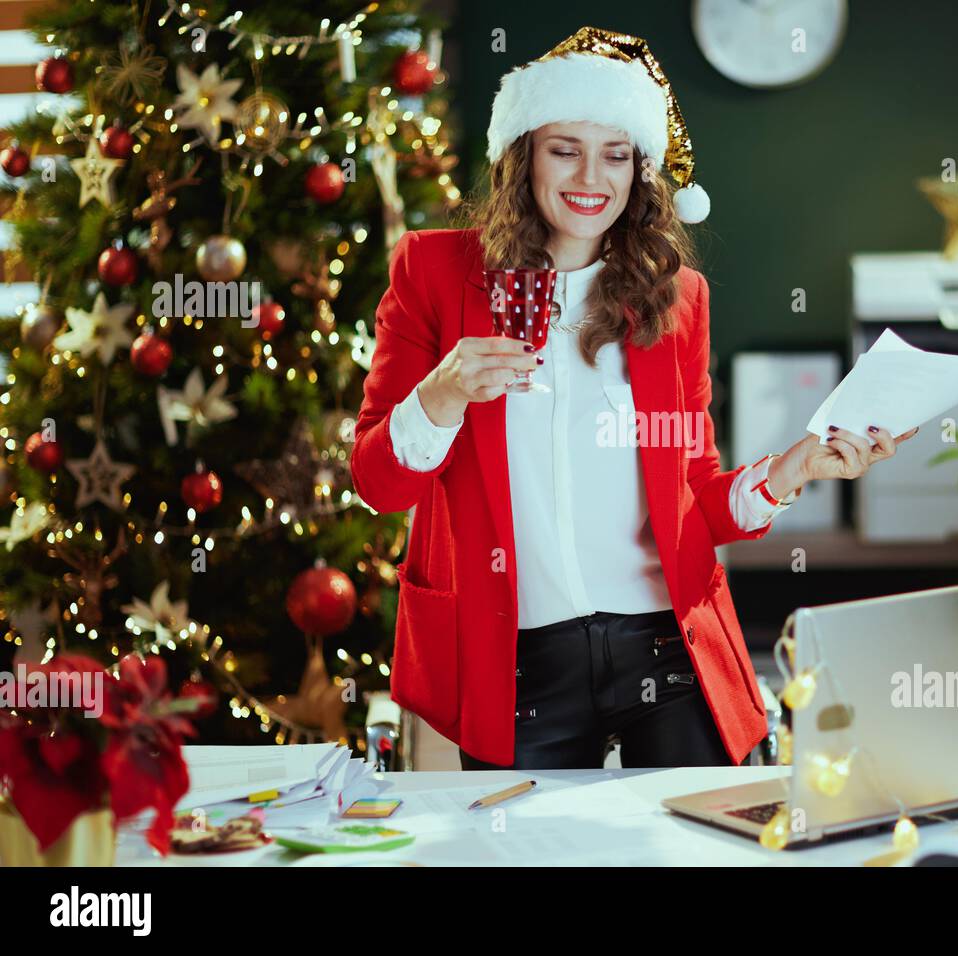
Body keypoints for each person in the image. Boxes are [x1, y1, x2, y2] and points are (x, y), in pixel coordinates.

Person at [351, 27, 917, 770]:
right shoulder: (434, 274)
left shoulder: (676, 299)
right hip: (518, 660)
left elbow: (693, 503)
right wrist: (442, 395)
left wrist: (794, 469)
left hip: (664, 645)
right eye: (565, 149)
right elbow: (378, 485)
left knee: (699, 842)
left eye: (615, 154)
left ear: (639, 171)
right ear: (523, 156)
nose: (591, 176)